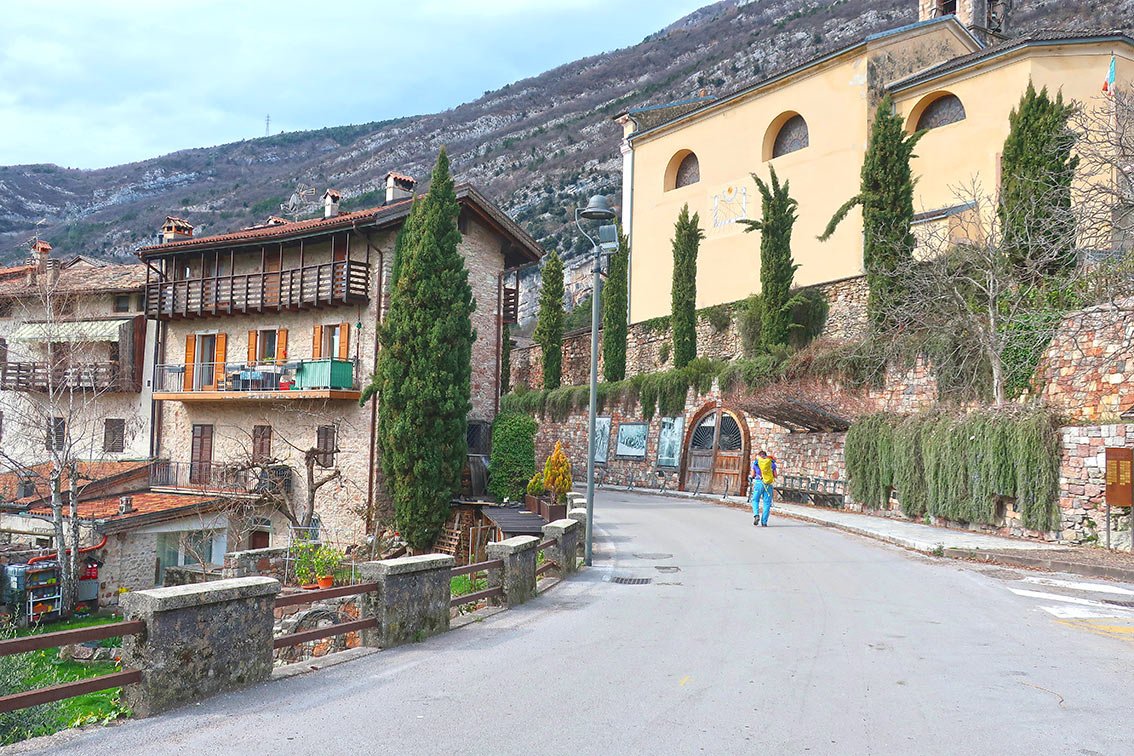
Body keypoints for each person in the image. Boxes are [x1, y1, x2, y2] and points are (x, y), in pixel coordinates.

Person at [749, 450, 777, 527]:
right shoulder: (771, 463)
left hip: (759, 483)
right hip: (768, 484)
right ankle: (764, 522)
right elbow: (775, 475)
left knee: (755, 500)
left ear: (759, 456)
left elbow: (752, 475)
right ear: (765, 455)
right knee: (767, 503)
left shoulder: (756, 463)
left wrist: (753, 476)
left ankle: (756, 515)